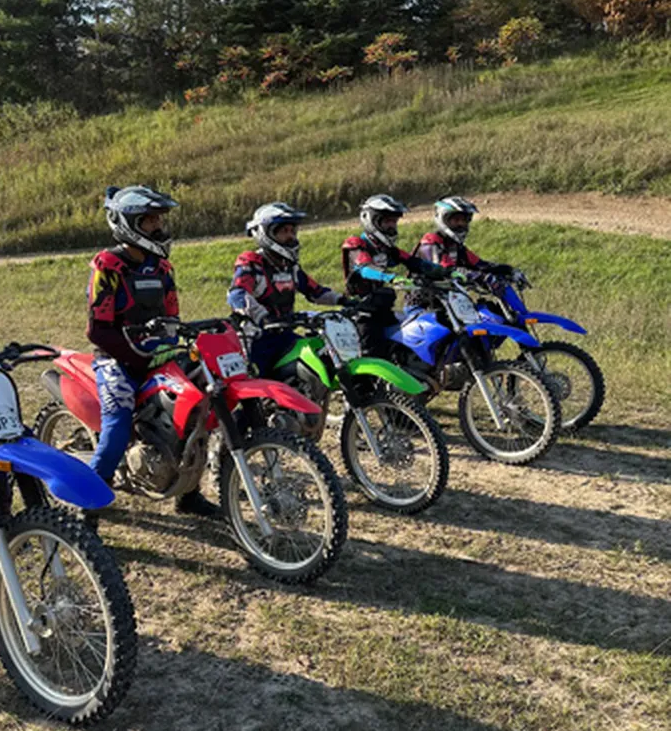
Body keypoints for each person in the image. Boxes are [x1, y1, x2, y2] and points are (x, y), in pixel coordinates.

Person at [86, 185, 217, 518]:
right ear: (128, 223)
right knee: (116, 426)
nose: (159, 228)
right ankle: (86, 507)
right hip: (116, 361)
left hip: (158, 355)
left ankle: (188, 494)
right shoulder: (108, 266)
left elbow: (172, 315)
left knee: (196, 413)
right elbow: (97, 329)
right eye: (150, 222)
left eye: (159, 221)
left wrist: (179, 341)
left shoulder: (161, 269)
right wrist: (137, 357)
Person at [228, 202, 347, 376]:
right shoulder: (253, 264)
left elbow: (316, 291)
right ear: (266, 233)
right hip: (256, 340)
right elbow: (236, 294)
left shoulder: (290, 267)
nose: (291, 236)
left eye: (293, 231)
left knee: (317, 360)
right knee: (262, 387)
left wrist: (343, 300)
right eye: (284, 231)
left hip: (285, 334)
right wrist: (263, 317)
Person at [341, 194, 453, 355]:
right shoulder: (356, 244)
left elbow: (415, 262)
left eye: (394, 221)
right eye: (387, 221)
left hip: (383, 308)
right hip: (361, 312)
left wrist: (445, 272)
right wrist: (391, 277)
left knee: (407, 345)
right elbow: (365, 269)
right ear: (371, 220)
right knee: (373, 355)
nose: (392, 226)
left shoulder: (387, 248)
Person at [413, 197, 524, 285]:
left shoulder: (456, 246)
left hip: (453, 301)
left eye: (464, 221)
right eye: (456, 220)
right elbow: (447, 270)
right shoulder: (430, 242)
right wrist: (481, 277)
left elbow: (481, 265)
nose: (461, 224)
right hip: (425, 302)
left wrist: (509, 271)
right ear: (443, 219)